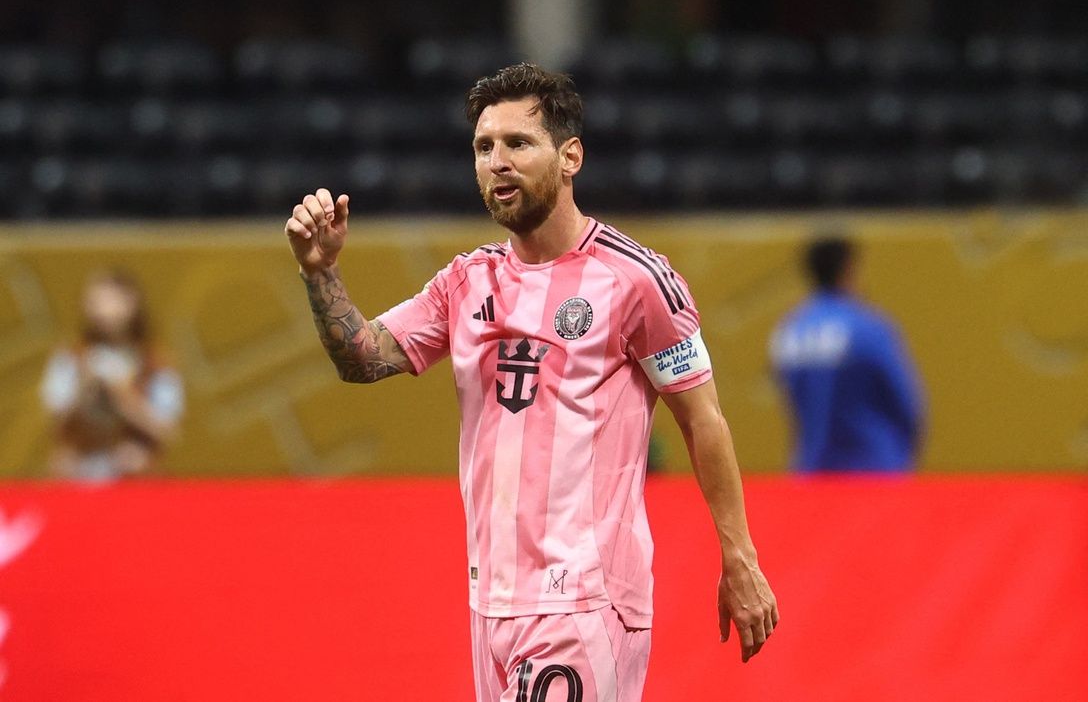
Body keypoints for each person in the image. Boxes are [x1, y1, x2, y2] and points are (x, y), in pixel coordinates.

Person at [284, 63, 777, 701]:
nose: (498, 162)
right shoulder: (464, 283)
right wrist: (320, 272)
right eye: (484, 147)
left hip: (585, 599)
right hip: (490, 602)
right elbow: (361, 357)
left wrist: (739, 558)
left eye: (518, 143)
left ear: (570, 156)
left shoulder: (636, 280)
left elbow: (703, 419)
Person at [770, 236, 924, 473]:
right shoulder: (869, 328)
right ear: (848, 269)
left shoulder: (790, 332)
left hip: (812, 473)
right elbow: (907, 405)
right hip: (873, 472)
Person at [39, 270, 184, 481]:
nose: (104, 311)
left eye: (111, 301)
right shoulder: (72, 357)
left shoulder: (154, 363)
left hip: (133, 474)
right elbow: (56, 418)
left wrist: (124, 398)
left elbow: (168, 430)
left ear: (131, 303)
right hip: (79, 472)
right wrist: (83, 389)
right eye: (96, 302)